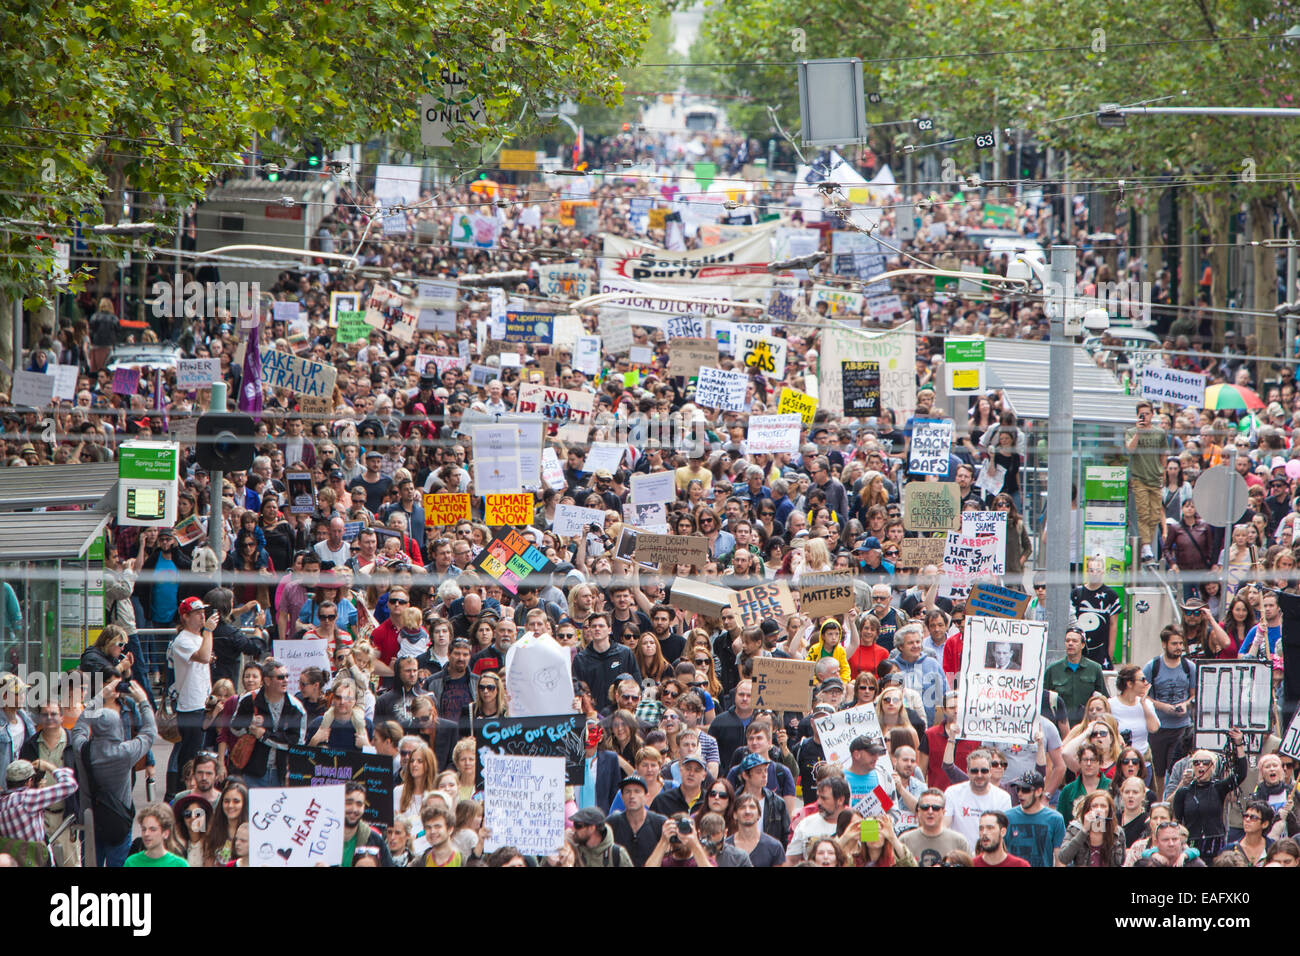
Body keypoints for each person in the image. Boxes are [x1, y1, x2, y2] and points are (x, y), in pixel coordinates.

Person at [72, 677, 156, 867]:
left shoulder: (83, 749)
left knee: (91, 862)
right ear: (117, 728)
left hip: (90, 819)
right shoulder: (125, 752)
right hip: (118, 821)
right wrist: (143, 701)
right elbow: (150, 732)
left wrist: (100, 697)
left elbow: (80, 726)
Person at [168, 596, 218, 800]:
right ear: (185, 617)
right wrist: (208, 631)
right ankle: (182, 794)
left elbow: (207, 656)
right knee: (189, 756)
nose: (202, 617)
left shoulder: (198, 637)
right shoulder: (182, 641)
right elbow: (204, 656)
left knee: (197, 754)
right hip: (189, 706)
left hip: (201, 702)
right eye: (197, 614)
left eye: (203, 613)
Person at [229, 657, 308, 788]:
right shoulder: (249, 700)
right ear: (267, 680)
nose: (286, 681)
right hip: (252, 772)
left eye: (287, 676)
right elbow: (234, 727)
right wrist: (250, 727)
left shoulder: (296, 707)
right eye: (280, 677)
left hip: (281, 774)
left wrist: (264, 735)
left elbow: (297, 743)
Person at [1171, 730, 1248, 859]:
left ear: (1212, 767)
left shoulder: (1218, 788)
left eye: (1205, 763)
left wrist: (1239, 744)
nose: (1201, 766)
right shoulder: (1183, 792)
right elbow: (1176, 821)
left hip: (1215, 843)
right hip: (1191, 843)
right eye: (1197, 763)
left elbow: (1240, 775)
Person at [1142, 625, 1196, 799]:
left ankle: (1173, 800)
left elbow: (1194, 695)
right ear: (1164, 644)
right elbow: (1143, 695)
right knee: (1158, 770)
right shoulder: (1153, 666)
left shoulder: (1189, 667)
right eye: (1174, 643)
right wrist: (1162, 706)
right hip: (1159, 727)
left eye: (1181, 643)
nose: (1179, 647)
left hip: (1181, 726)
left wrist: (1186, 705)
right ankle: (1159, 802)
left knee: (1177, 768)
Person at [1125, 399, 1168, 562]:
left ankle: (1147, 545)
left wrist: (1163, 474)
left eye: (1147, 414)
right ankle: (1146, 546)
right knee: (1142, 513)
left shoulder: (1159, 433)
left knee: (1154, 514)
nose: (1145, 417)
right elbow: (1130, 449)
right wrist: (1139, 432)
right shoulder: (1131, 431)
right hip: (1139, 478)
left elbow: (1163, 454)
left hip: (1155, 477)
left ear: (1152, 414)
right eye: (1141, 414)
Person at [943, 749, 1011, 848]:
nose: (979, 775)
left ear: (990, 771)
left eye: (984, 771)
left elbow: (1004, 834)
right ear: (967, 771)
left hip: (989, 855)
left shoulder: (1003, 798)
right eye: (974, 771)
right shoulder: (952, 792)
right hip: (960, 855)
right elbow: (944, 826)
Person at [1042, 626, 1109, 727]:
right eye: (1067, 640)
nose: (1070, 644)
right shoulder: (1052, 670)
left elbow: (1104, 699)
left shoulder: (1095, 669)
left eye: (1074, 641)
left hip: (1086, 726)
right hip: (1060, 726)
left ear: (1082, 645)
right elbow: (1043, 700)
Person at [1003, 770, 1065, 867]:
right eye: (1017, 789)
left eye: (1025, 790)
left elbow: (1060, 858)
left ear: (1038, 791)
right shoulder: (1007, 817)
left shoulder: (1055, 819)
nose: (1020, 793)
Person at [1070, 556, 1121, 667]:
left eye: (1098, 571)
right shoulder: (1076, 594)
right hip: (1080, 650)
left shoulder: (1111, 596)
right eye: (1091, 570)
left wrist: (1110, 652)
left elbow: (1113, 625)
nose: (1094, 574)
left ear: (1103, 572)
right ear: (1087, 572)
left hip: (1101, 652)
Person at [607, 774, 667, 867]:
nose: (632, 796)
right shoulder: (612, 823)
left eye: (637, 791)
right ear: (622, 797)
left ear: (646, 796)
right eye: (627, 792)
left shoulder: (659, 823)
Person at [901, 787, 970, 866]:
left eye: (935, 808)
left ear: (943, 812)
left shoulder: (959, 842)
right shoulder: (905, 840)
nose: (930, 812)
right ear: (919, 811)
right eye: (925, 807)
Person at [788, 776, 851, 863]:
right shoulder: (805, 824)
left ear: (840, 800)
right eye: (818, 797)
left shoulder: (855, 825)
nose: (819, 802)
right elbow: (791, 860)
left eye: (824, 798)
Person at [1056, 790, 1125, 867]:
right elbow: (1063, 858)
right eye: (1094, 806)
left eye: (1103, 806)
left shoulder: (1117, 832)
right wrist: (1084, 830)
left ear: (1109, 810)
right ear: (1088, 809)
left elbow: (1122, 862)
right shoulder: (1075, 829)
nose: (1098, 810)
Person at [341, 781, 395, 866]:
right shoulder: (323, 837)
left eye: (359, 804)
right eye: (349, 803)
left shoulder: (375, 840)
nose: (354, 809)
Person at [726, 790, 786, 867]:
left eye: (752, 807)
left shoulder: (774, 847)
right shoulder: (724, 847)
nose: (747, 811)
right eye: (742, 807)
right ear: (735, 815)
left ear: (759, 815)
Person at [124, 803, 188, 867]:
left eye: (153, 829)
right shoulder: (131, 862)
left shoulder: (179, 864)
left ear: (166, 833)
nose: (146, 834)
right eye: (144, 829)